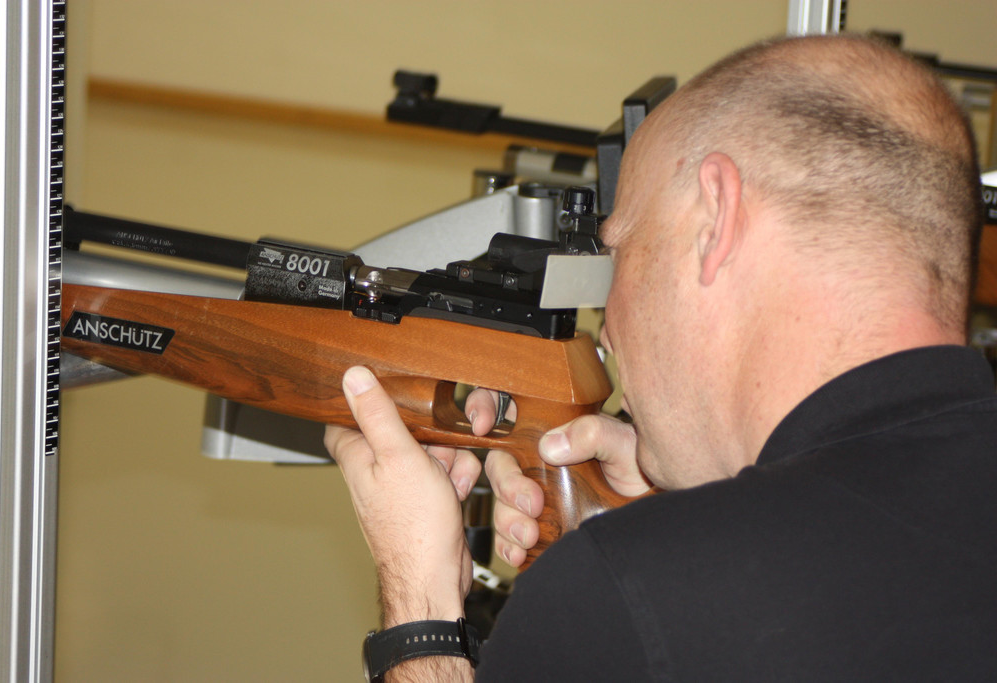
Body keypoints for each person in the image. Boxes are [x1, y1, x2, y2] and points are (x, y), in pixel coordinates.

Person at [325, 34, 997, 681]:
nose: (608, 327)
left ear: (716, 219)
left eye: (620, 251)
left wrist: (419, 605)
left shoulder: (635, 591)